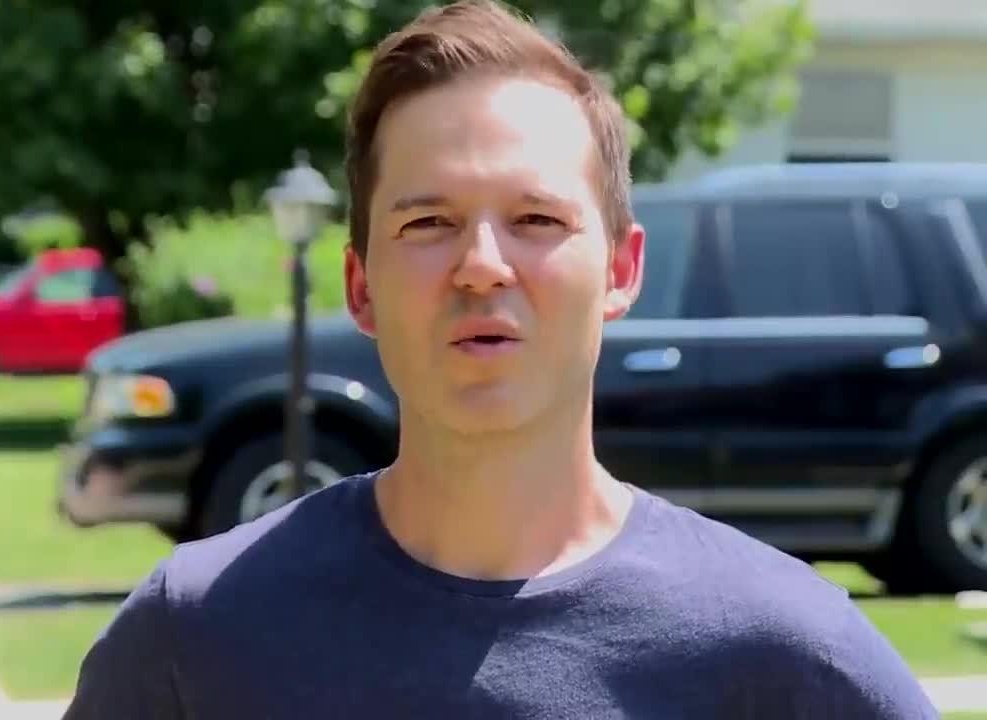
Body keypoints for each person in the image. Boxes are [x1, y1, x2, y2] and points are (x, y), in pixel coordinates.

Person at [62, 1, 939, 717]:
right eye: (427, 224)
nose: (482, 264)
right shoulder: (196, 640)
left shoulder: (785, 655)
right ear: (360, 287)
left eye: (537, 220)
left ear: (622, 271)